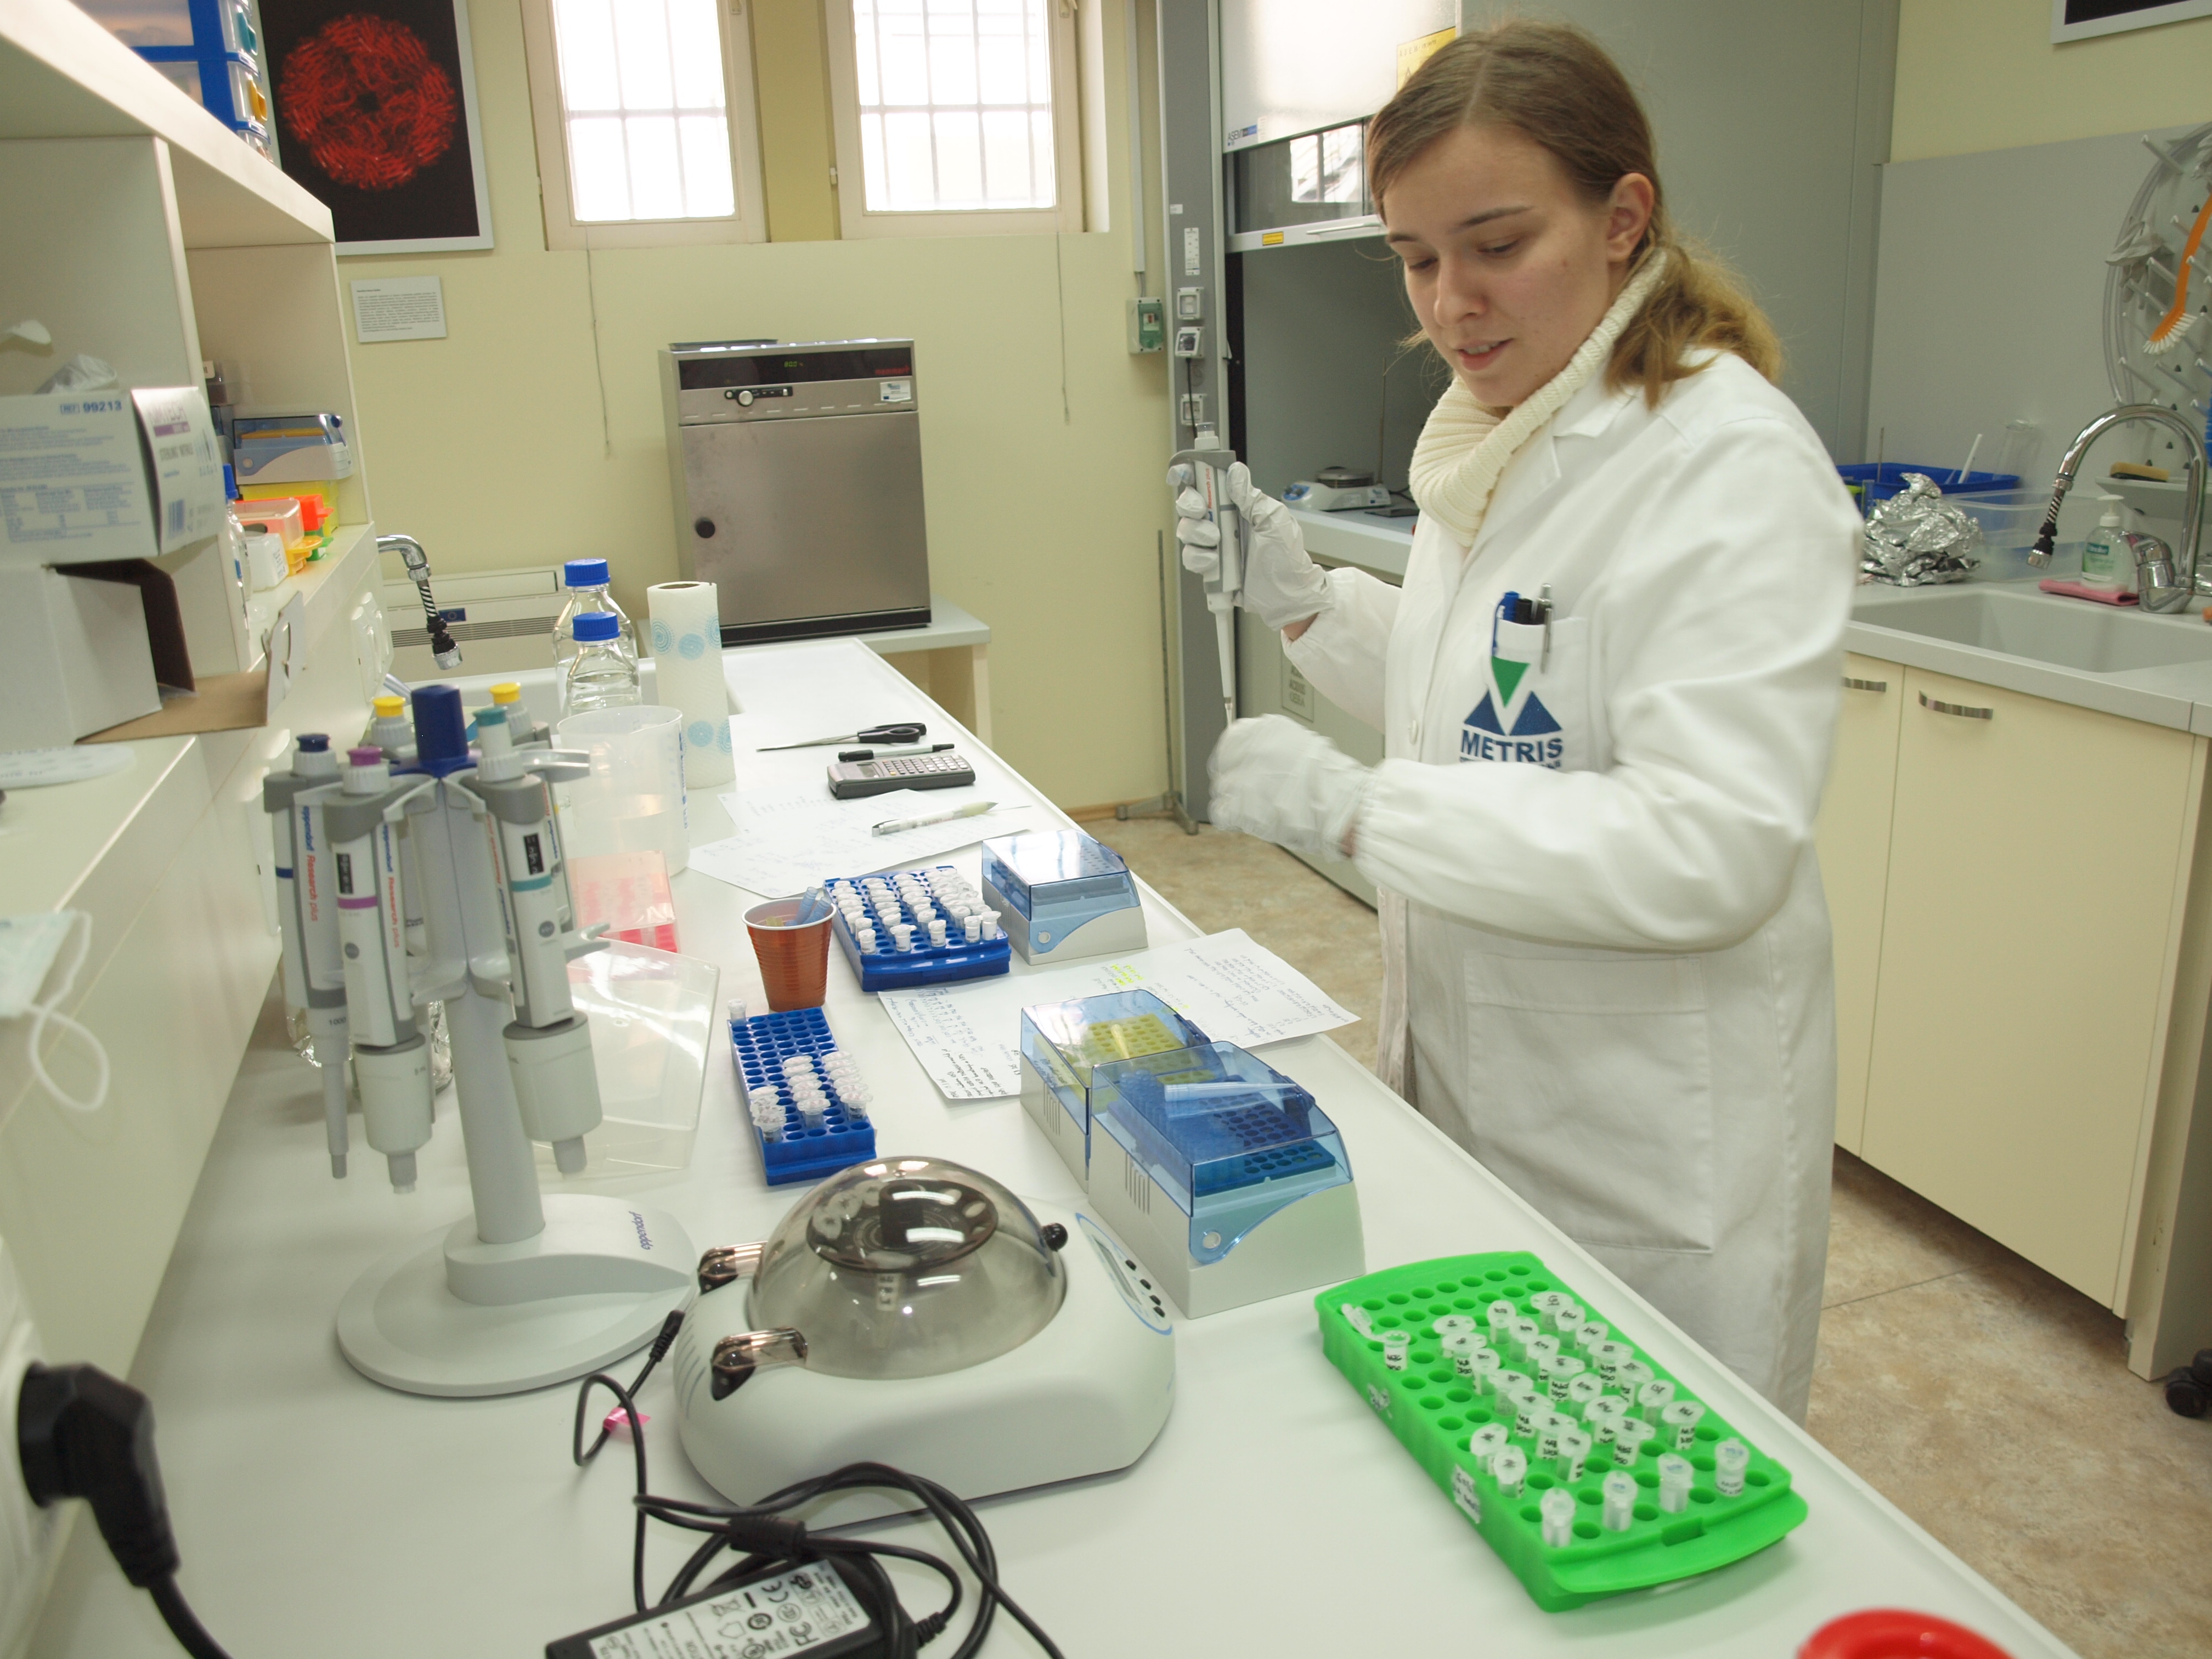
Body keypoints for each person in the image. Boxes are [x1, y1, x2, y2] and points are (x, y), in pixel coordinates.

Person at [1173, 21, 1858, 1419]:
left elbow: (1712, 850)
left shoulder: (1725, 467)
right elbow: (1491, 706)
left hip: (1641, 1150)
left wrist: (1360, 810)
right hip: (1480, 1087)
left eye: (1496, 244)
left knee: (1640, 1500)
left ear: (1623, 218)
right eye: (1416, 257)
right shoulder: (1504, 426)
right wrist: (1304, 603)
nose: (1451, 303)